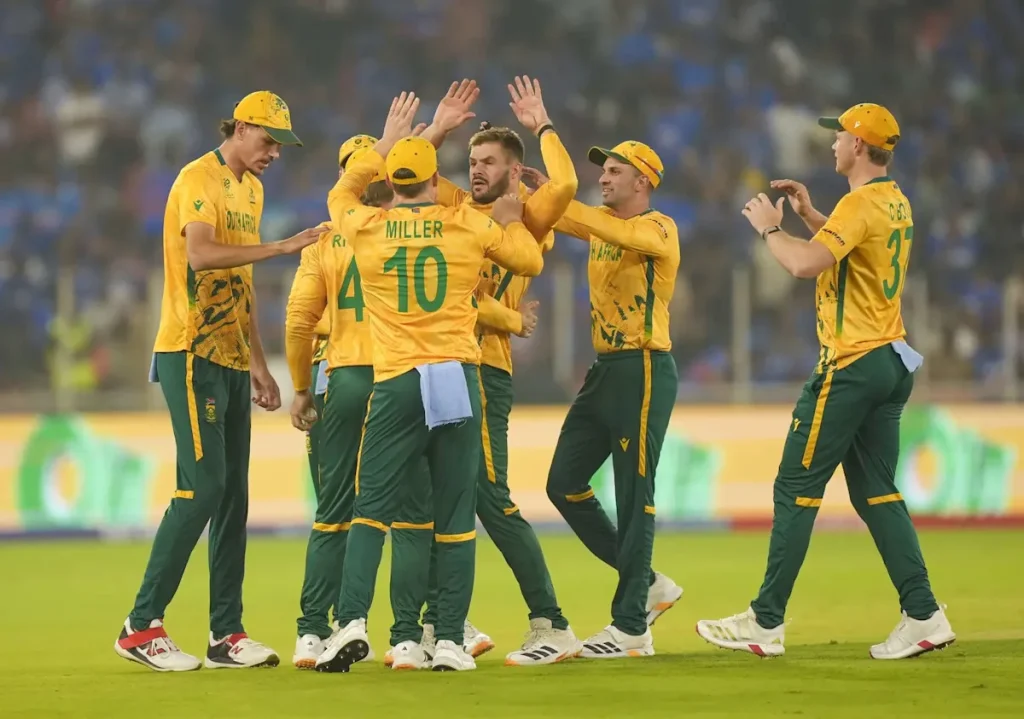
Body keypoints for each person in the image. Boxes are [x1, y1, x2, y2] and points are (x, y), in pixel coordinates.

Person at [695, 103, 955, 660]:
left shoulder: (858, 204)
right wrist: (813, 215)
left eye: (838, 136)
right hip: (890, 359)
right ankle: (924, 613)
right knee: (876, 491)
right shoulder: (894, 200)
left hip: (850, 365)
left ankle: (765, 622)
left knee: (795, 486)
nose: (832, 143)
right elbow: (853, 251)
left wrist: (770, 229)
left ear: (858, 144)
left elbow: (805, 265)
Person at [314, 92, 544, 673]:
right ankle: (448, 640)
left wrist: (386, 142)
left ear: (392, 182)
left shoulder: (366, 228)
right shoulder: (467, 223)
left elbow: (341, 192)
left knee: (372, 510)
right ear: (437, 181)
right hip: (455, 376)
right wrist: (512, 217)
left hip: (395, 378)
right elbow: (530, 262)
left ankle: (351, 622)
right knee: (455, 514)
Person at [114, 91, 321, 672]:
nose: (274, 153)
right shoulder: (197, 178)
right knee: (203, 487)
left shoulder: (251, 190)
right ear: (243, 127)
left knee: (233, 495)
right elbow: (202, 256)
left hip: (230, 358)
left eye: (281, 146)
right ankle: (140, 625)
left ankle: (226, 634)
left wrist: (259, 362)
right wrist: (283, 246)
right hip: (190, 351)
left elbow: (240, 281)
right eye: (269, 141)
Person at [422, 76, 582, 666]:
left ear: (515, 171)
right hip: (441, 368)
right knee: (441, 499)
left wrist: (542, 124)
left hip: (487, 371)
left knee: (491, 497)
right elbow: (399, 177)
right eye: (472, 162)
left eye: (488, 162)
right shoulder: (456, 208)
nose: (477, 171)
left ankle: (552, 623)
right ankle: (447, 623)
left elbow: (566, 183)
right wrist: (437, 128)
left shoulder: (528, 219)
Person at [536, 139, 682, 659]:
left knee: (634, 494)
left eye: (615, 171)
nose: (604, 177)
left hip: (643, 368)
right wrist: (534, 192)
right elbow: (560, 218)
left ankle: (631, 628)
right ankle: (649, 584)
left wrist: (559, 191)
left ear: (643, 182)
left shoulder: (658, 228)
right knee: (563, 483)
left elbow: (601, 226)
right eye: (604, 170)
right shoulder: (603, 225)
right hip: (605, 370)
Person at [285, 135, 399, 668]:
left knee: (333, 511)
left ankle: (312, 630)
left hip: (340, 379)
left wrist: (301, 388)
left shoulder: (323, 242)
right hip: (401, 378)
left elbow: (298, 322)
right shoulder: (407, 232)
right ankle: (423, 631)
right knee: (411, 512)